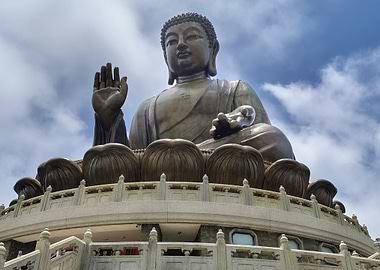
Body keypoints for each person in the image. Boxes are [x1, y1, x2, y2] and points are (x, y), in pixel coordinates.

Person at [92, 12, 294, 164]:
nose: (180, 45)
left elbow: (264, 139)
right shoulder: (147, 108)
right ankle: (186, 159)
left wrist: (239, 123)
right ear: (165, 56)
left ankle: (188, 159)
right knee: (107, 161)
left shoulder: (234, 89)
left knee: (272, 138)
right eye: (172, 41)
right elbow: (129, 161)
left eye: (191, 37)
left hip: (220, 159)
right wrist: (108, 119)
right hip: (159, 168)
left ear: (212, 49)